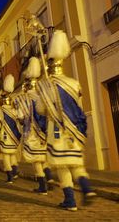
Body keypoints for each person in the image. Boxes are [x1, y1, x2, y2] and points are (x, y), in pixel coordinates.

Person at [36, 30, 96, 211]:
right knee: (76, 163)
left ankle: (70, 201)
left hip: (57, 129)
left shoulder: (47, 86)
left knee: (62, 166)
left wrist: (49, 104)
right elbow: (79, 103)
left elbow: (40, 109)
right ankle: (87, 188)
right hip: (75, 128)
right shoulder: (73, 82)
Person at [16, 57, 53, 195]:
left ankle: (43, 186)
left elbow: (20, 117)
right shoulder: (42, 96)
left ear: (26, 85)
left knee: (36, 160)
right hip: (45, 132)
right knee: (44, 157)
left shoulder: (22, 99)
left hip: (31, 132)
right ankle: (50, 178)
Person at [0, 74, 21, 183]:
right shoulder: (14, 111)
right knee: (13, 155)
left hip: (4, 137)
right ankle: (15, 172)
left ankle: (9, 176)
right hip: (14, 136)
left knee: (6, 158)